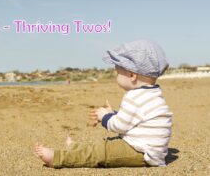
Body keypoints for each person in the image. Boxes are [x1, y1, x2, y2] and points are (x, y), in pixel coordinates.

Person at [35, 40, 173, 168]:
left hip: (140, 152)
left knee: (101, 151)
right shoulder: (153, 94)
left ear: (132, 75)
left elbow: (119, 126)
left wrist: (105, 117)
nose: (116, 75)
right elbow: (134, 120)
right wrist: (113, 114)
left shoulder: (133, 97)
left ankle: (57, 158)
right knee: (106, 144)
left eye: (118, 72)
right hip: (151, 150)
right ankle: (76, 148)